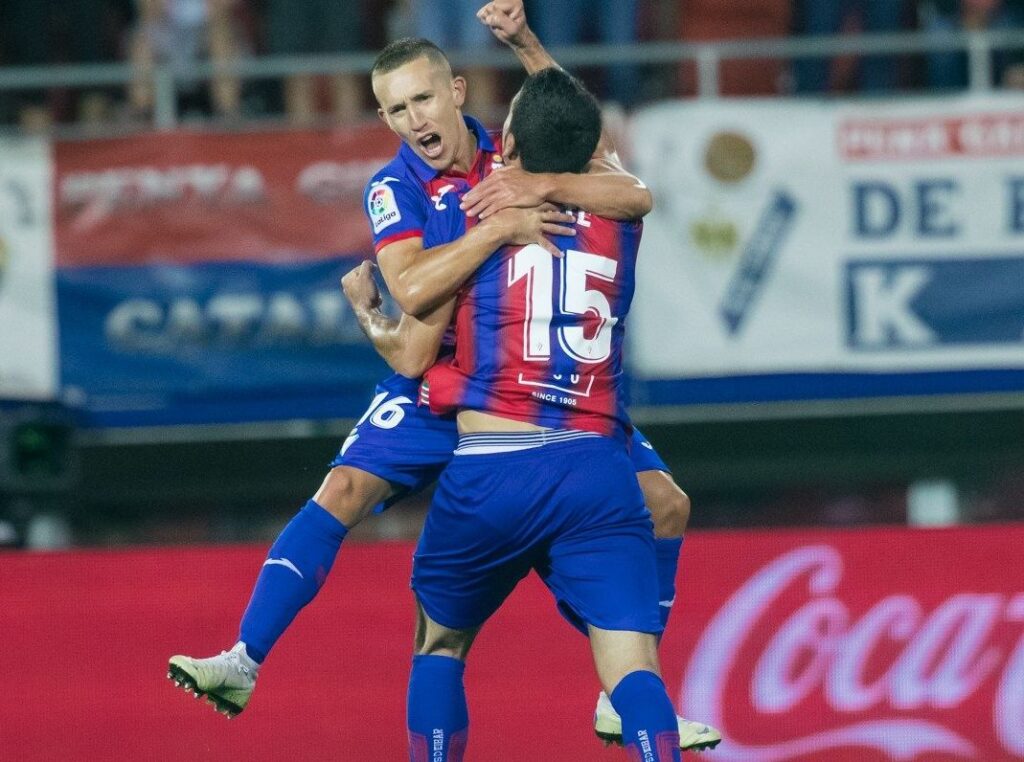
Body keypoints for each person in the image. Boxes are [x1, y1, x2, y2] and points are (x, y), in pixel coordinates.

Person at [168, 6, 715, 751]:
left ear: (457, 92)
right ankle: (242, 658)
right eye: (394, 109)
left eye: (421, 99)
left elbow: (624, 180)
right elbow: (414, 317)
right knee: (345, 489)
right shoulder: (396, 189)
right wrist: (490, 232)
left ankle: (622, 695)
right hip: (443, 380)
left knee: (667, 503)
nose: (412, 119)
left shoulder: (511, 159)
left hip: (524, 385)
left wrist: (532, 130)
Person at [382, 65, 682, 761]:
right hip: (595, 468)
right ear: (588, 153)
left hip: (492, 467)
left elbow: (412, 352)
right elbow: (625, 178)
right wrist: (525, 47)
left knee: (440, 643)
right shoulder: (620, 214)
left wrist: (372, 315)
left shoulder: (472, 207)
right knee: (633, 669)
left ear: (507, 140)